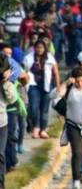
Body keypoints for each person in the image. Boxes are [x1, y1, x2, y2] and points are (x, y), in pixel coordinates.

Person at [23, 40, 60, 138]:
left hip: (46, 86)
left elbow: (55, 72)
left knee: (44, 109)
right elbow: (24, 72)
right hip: (32, 85)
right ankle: (36, 127)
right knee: (34, 107)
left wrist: (58, 86)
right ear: (34, 48)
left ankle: (43, 130)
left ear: (45, 48)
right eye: (37, 47)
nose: (39, 49)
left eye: (41, 47)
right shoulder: (28, 58)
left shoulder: (49, 58)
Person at [0, 54, 18, 189]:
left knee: (0, 154)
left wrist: (5, 82)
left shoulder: (7, 83)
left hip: (1, 123)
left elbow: (12, 99)